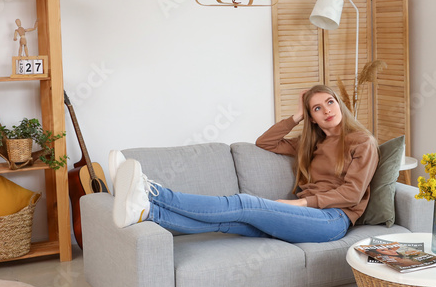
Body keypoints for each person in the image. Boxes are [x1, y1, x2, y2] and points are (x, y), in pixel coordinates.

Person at [109, 84, 379, 244]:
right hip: (308, 216)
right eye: (317, 108)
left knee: (242, 203)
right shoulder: (310, 144)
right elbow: (265, 143)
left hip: (332, 220)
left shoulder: (361, 142)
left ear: (340, 105)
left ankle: (152, 192)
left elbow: (352, 193)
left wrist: (300, 203)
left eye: (330, 102)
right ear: (312, 118)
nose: (327, 110)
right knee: (227, 222)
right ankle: (146, 212)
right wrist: (297, 116)